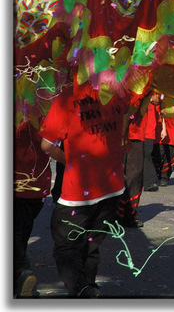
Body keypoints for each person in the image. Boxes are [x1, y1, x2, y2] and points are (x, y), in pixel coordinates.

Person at [40, 86, 128, 298]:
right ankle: (88, 287)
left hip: (79, 191)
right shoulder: (119, 91)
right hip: (112, 187)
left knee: (66, 246)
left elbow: (46, 145)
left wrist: (68, 160)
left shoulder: (68, 97)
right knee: (91, 243)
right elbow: (126, 128)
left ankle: (81, 289)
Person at [14, 118, 52, 298]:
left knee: (15, 231)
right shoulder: (45, 106)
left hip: (19, 182)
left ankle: (21, 272)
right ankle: (19, 278)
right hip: (37, 184)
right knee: (21, 230)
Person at [116, 94, 156, 229]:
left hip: (135, 134)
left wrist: (149, 93)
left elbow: (157, 100)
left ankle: (129, 213)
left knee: (134, 175)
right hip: (115, 132)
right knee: (114, 174)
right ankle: (111, 213)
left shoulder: (147, 85)